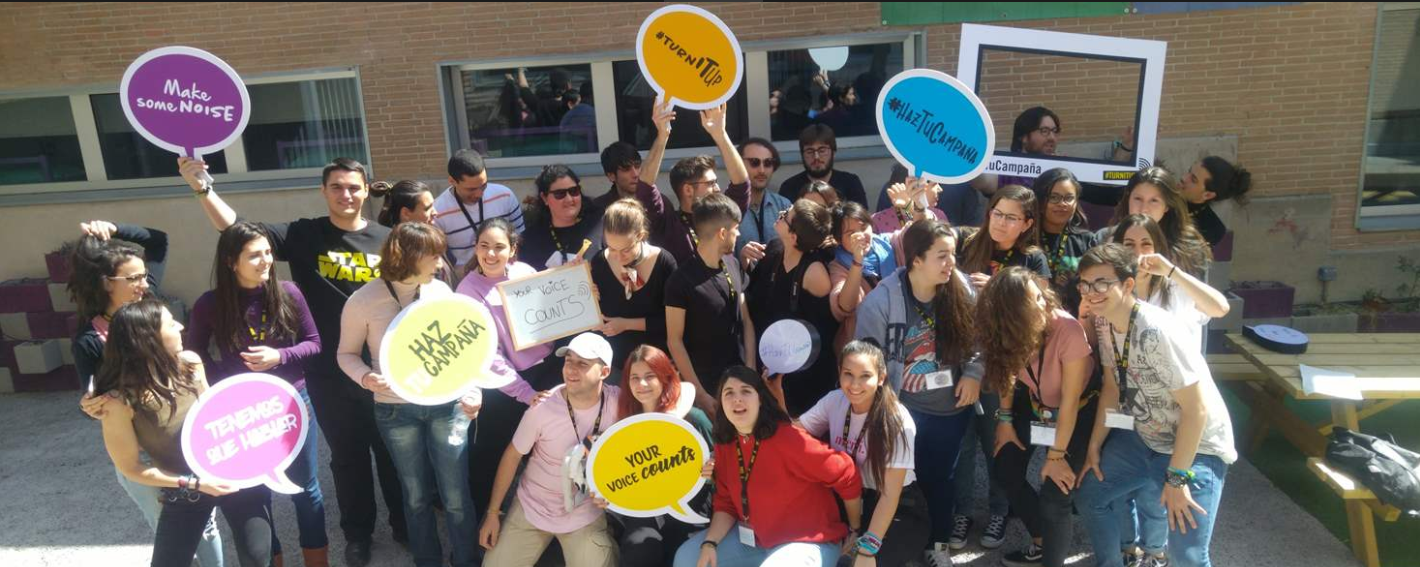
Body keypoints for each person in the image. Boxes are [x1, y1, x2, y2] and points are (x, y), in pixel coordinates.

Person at [181, 156, 405, 566]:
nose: (346, 194)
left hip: (383, 369)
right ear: (324, 191)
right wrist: (203, 188)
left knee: (392, 454)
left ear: (366, 190)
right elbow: (236, 231)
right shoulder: (305, 234)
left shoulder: (389, 239)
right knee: (348, 458)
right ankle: (357, 536)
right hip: (328, 373)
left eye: (353, 187)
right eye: (336, 187)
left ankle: (403, 526)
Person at [70, 221, 226, 567]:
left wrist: (115, 228)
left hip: (182, 444)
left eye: (144, 275)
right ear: (106, 283)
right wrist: (89, 406)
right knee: (170, 528)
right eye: (134, 278)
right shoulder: (90, 340)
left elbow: (159, 241)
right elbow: (97, 401)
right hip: (144, 450)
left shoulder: (149, 308)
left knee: (207, 526)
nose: (144, 284)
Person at [1075, 244, 1237, 567]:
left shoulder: (1156, 329)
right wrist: (1094, 445)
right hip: (1144, 439)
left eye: (1102, 283)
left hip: (1197, 447)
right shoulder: (1104, 322)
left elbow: (1197, 409)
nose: (1092, 293)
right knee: (1090, 495)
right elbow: (1111, 388)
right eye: (1085, 284)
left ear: (1128, 285)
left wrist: (1177, 479)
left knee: (1188, 556)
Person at [338, 223, 482, 567]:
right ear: (409, 256)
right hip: (394, 411)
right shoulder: (362, 301)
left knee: (456, 495)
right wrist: (365, 378)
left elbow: (464, 350)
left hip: (447, 406)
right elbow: (345, 354)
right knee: (415, 496)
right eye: (433, 255)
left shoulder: (440, 292)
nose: (440, 262)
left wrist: (474, 391)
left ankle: (467, 560)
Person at [186, 221, 328, 567]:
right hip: (243, 411)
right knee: (256, 493)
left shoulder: (289, 292)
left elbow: (314, 344)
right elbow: (194, 354)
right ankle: (272, 559)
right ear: (231, 262)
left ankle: (317, 560)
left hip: (292, 403)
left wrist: (280, 356)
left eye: (267, 252)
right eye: (254, 255)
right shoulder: (209, 304)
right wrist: (223, 383)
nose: (265, 260)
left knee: (305, 487)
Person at [95, 299, 273, 567]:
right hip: (185, 486)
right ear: (147, 339)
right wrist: (195, 484)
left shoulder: (190, 363)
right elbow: (130, 467)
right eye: (170, 324)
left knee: (258, 556)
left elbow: (215, 417)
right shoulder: (118, 401)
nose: (180, 326)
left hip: (229, 472)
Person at [854, 219, 983, 566]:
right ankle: (870, 545)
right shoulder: (881, 302)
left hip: (949, 408)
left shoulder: (961, 290)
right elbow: (866, 361)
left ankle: (938, 543)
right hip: (901, 407)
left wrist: (973, 373)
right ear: (916, 260)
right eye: (942, 255)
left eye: (953, 254)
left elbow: (980, 342)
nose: (951, 263)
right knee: (885, 477)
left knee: (940, 477)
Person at [673, 366, 864, 567]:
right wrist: (710, 543)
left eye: (745, 391)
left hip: (810, 541)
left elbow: (846, 472)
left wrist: (854, 530)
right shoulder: (725, 445)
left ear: (760, 399)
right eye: (729, 393)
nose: (737, 399)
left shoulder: (788, 438)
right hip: (755, 541)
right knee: (686, 559)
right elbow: (726, 503)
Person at [977, 267, 1098, 567]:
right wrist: (1005, 421)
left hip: (1078, 410)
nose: (1042, 305)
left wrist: (1056, 456)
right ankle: (1043, 540)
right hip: (1035, 405)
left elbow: (1069, 402)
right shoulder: (1003, 331)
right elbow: (1005, 371)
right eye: (1032, 302)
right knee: (1005, 469)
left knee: (1056, 496)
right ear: (1009, 313)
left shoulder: (1066, 328)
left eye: (1040, 297)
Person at [478, 333, 622, 567]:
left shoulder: (619, 403)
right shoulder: (542, 408)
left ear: (604, 372)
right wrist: (493, 513)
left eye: (582, 364)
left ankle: (607, 539)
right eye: (568, 360)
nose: (571, 369)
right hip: (534, 507)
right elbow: (513, 456)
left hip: (585, 512)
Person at [455, 218, 561, 515]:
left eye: (499, 247)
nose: (490, 254)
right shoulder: (467, 291)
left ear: (512, 249)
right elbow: (488, 355)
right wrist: (526, 393)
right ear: (475, 248)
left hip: (546, 371)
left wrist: (574, 283)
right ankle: (483, 518)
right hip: (502, 383)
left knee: (548, 445)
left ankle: (547, 512)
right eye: (484, 246)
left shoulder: (525, 273)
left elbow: (554, 312)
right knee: (493, 451)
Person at [798, 340, 929, 566]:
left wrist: (868, 548)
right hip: (849, 501)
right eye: (848, 374)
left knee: (853, 563)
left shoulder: (897, 421)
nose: (855, 384)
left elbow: (890, 496)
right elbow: (795, 435)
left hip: (897, 508)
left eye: (865, 376)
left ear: (881, 377)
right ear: (839, 372)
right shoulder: (834, 400)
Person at [608, 345, 715, 567]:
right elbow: (615, 476)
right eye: (635, 378)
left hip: (690, 506)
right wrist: (604, 493)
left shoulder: (694, 419)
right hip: (645, 507)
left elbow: (723, 465)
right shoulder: (625, 426)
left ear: (665, 376)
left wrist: (713, 470)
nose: (642, 384)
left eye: (650, 376)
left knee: (680, 551)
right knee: (640, 549)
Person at [746, 199, 840, 415]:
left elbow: (823, 333)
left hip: (805, 376)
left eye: (786, 216)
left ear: (794, 236)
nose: (781, 213)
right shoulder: (774, 248)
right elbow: (754, 296)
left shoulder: (815, 273)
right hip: (768, 360)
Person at [665, 192, 756, 412]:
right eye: (736, 228)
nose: (739, 233)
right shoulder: (680, 280)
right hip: (708, 388)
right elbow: (674, 341)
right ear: (722, 233)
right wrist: (700, 394)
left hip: (742, 381)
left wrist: (751, 370)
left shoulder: (733, 264)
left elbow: (746, 321)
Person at [636, 100, 751, 264]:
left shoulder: (722, 214)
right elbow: (645, 187)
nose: (717, 188)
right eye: (711, 183)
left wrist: (720, 134)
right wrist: (662, 135)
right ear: (688, 190)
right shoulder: (667, 224)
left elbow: (741, 184)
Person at [589, 199, 678, 371]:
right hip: (614, 365)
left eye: (626, 249)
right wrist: (588, 297)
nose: (618, 257)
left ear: (641, 236)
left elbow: (674, 321)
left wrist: (626, 324)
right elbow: (594, 317)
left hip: (656, 363)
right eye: (611, 248)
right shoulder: (600, 262)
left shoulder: (664, 262)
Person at [1101, 167, 1211, 278]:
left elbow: (1198, 289)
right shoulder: (1105, 239)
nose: (1144, 209)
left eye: (1154, 201)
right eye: (1138, 199)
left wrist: (1172, 272)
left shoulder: (1190, 251)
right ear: (1128, 199)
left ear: (1167, 206)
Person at [828, 201, 904, 353]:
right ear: (839, 239)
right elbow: (845, 306)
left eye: (864, 228)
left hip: (900, 333)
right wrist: (857, 261)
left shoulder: (888, 243)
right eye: (851, 233)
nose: (862, 235)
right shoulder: (838, 265)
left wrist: (911, 208)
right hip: (865, 344)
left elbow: (921, 233)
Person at [433, 150, 526, 271]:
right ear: (452, 181)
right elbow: (440, 258)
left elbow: (519, 237)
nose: (479, 194)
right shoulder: (437, 212)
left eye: (483, 185)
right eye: (471, 189)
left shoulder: (505, 196)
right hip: (465, 277)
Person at [957, 185, 1052, 291]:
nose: (1001, 222)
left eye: (1011, 218)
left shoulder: (1034, 258)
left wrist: (998, 287)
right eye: (997, 214)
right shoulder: (967, 239)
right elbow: (943, 235)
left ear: (1027, 224)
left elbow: (1042, 298)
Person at [1032, 168, 1100, 317]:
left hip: (1075, 321)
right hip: (1031, 319)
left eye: (1069, 198)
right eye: (1054, 197)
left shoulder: (1087, 241)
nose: (1062, 204)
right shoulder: (1025, 238)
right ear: (1040, 200)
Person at [520, 164, 604, 271]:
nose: (569, 199)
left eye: (574, 191)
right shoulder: (530, 240)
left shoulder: (601, 225)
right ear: (544, 198)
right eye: (559, 194)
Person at [971, 107, 1060, 196]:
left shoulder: (1060, 169)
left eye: (1055, 131)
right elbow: (985, 181)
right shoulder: (1007, 168)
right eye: (1044, 131)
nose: (1052, 137)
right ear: (1024, 137)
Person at [735, 137, 794, 270]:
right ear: (737, 164)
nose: (762, 170)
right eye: (754, 162)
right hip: (740, 281)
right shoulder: (725, 209)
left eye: (768, 163)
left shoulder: (784, 205)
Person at [777, 124, 868, 207]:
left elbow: (861, 218)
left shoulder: (850, 183)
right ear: (802, 154)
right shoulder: (789, 187)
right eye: (810, 151)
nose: (816, 157)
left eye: (822, 150)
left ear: (833, 152)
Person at [1180, 157, 1253, 247]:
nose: (1183, 178)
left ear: (1208, 195)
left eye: (1193, 179)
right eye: (1189, 171)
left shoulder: (1211, 230)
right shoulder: (1166, 194)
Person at [593, 141, 645, 211]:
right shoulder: (598, 209)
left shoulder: (654, 202)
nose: (635, 174)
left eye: (637, 166)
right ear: (611, 176)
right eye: (626, 169)